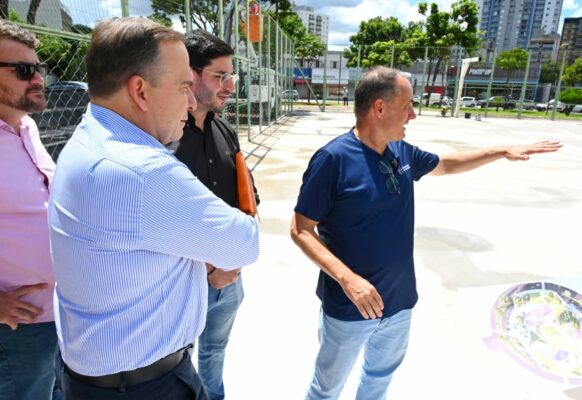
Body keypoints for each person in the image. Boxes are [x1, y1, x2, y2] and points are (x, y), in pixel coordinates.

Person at [290, 66, 561, 400]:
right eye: (407, 106)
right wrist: (348, 280)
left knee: (378, 379)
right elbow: (301, 229)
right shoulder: (333, 159)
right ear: (379, 108)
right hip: (350, 308)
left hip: (400, 303)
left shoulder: (401, 151)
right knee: (326, 390)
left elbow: (446, 164)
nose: (413, 115)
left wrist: (500, 151)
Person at [48, 17, 259, 400]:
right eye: (183, 87)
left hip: (101, 377)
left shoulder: (89, 137)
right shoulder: (142, 171)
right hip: (146, 385)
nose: (191, 102)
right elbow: (245, 243)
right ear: (140, 91)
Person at [173, 29, 260, 400]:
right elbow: (167, 219)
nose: (230, 86)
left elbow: (246, 197)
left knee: (215, 351)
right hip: (185, 280)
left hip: (230, 278)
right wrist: (209, 268)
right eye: (220, 76)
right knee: (177, 360)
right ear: (190, 75)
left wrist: (234, 260)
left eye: (231, 76)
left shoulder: (225, 129)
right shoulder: (164, 137)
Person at [0, 21, 62, 400]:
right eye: (24, 70)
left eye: (39, 68)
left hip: (58, 316)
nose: (38, 78)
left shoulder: (27, 127)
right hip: (16, 330)